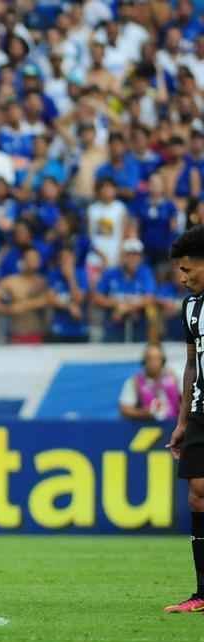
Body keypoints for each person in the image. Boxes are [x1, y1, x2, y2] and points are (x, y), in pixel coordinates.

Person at [166, 226, 204, 613]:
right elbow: (192, 364)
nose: (182, 277)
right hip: (200, 411)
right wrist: (182, 420)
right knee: (197, 493)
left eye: (187, 269)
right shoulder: (190, 307)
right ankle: (202, 592)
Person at [120, 344, 181, 422]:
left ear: (163, 361)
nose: (153, 362)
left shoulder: (174, 378)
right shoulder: (134, 382)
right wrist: (143, 413)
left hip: (174, 425)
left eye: (157, 358)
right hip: (146, 426)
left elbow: (186, 403)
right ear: (143, 361)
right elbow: (125, 410)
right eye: (149, 359)